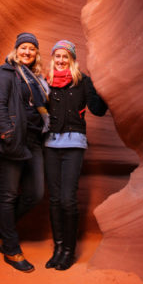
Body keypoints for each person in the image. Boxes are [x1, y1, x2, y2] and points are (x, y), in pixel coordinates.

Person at [0, 32, 49, 273]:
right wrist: (8, 135)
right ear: (16, 50)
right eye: (23, 47)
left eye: (32, 49)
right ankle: (11, 250)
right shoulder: (4, 73)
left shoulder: (36, 79)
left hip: (33, 140)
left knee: (35, 193)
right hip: (13, 140)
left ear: (36, 54)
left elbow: (43, 108)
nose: (27, 52)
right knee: (8, 195)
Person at [44, 39, 107, 270]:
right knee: (54, 198)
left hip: (74, 145)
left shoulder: (83, 82)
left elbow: (98, 111)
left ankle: (69, 251)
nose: (61, 60)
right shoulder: (46, 83)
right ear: (53, 59)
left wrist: (104, 84)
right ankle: (58, 248)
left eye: (65, 57)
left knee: (67, 199)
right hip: (50, 145)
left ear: (72, 59)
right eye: (57, 56)